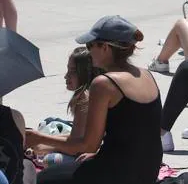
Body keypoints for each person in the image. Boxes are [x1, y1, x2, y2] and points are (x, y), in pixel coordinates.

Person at [29, 16, 162, 184]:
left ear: (105, 47)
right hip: (148, 170)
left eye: (90, 45)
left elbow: (87, 145)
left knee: (45, 178)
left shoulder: (103, 84)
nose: (88, 51)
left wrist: (39, 138)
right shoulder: (146, 74)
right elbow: (139, 133)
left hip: (121, 173)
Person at [26, 48, 102, 167]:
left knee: (50, 160)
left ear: (85, 73)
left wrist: (41, 140)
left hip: (93, 157)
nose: (66, 76)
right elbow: (77, 136)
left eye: (72, 71)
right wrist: (41, 141)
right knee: (48, 124)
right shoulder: (89, 93)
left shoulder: (84, 98)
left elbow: (78, 148)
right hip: (91, 147)